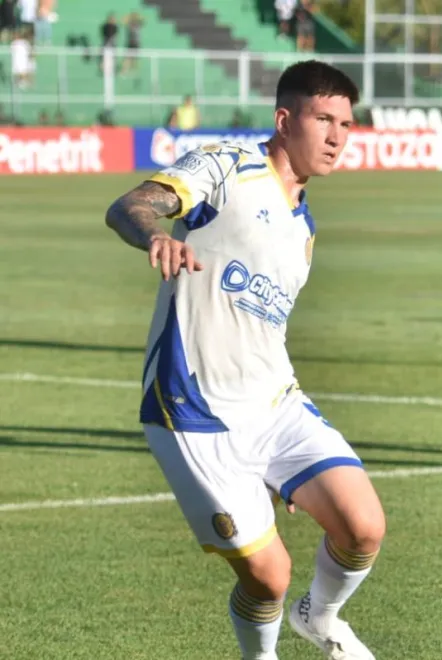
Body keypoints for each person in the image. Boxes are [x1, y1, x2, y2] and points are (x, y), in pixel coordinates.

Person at [104, 60, 384, 660]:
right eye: (323, 119)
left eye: (347, 123)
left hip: (274, 402)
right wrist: (154, 233)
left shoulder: (304, 225)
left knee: (364, 528)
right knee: (268, 577)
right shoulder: (228, 166)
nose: (338, 136)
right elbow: (132, 205)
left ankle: (321, 616)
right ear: (285, 120)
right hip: (193, 410)